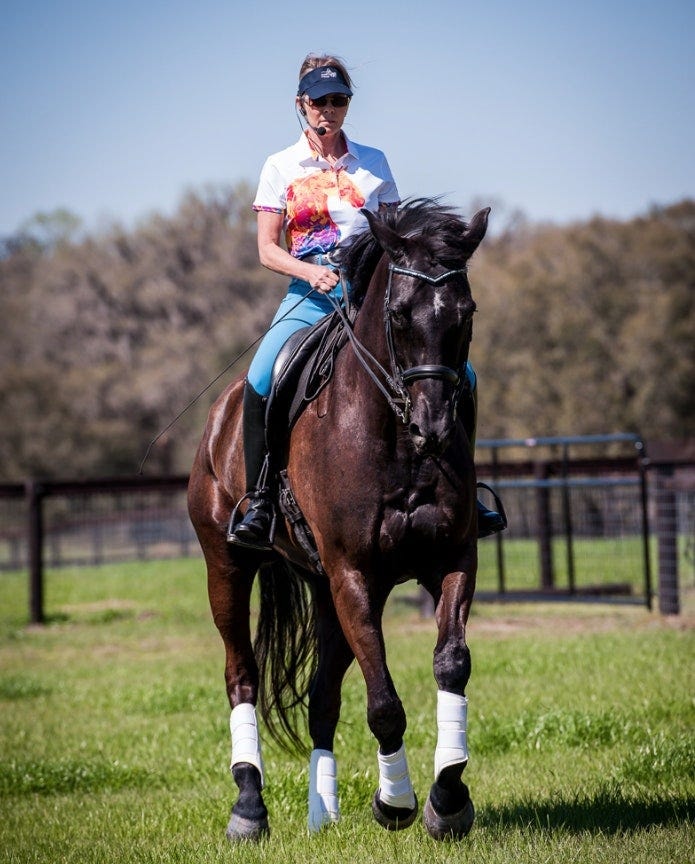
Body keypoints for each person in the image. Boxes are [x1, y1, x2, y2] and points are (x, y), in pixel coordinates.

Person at [229, 53, 505, 550]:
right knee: (263, 373)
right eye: (320, 101)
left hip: (374, 296)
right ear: (301, 104)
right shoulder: (280, 166)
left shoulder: (373, 163)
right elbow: (268, 249)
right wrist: (311, 271)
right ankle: (261, 500)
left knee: (464, 375)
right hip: (311, 294)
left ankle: (467, 491)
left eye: (339, 101)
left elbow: (398, 236)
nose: (329, 110)